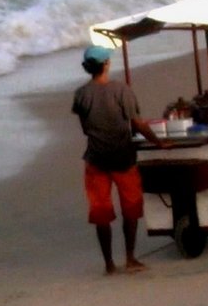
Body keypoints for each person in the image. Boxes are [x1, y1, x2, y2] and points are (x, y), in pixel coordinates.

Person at [71, 45, 168, 275]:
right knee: (131, 208)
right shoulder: (122, 90)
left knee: (101, 211)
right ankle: (131, 258)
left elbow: (85, 128)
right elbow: (137, 124)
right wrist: (158, 142)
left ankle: (109, 264)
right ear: (106, 64)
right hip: (123, 157)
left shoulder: (81, 94)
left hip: (95, 159)